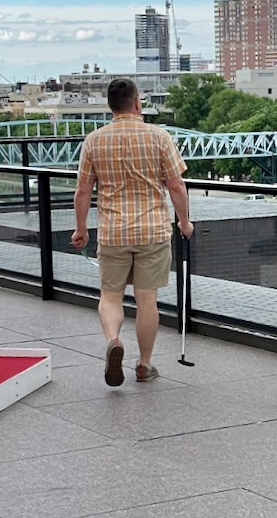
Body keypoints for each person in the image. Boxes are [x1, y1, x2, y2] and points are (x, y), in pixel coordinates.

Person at [72, 77, 192, 386]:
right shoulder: (159, 137)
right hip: (152, 231)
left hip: (113, 232)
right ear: (137, 103)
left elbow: (83, 191)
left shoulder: (94, 140)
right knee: (146, 299)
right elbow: (176, 185)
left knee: (111, 297)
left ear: (110, 106)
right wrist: (184, 222)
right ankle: (144, 364)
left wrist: (81, 229)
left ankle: (114, 340)